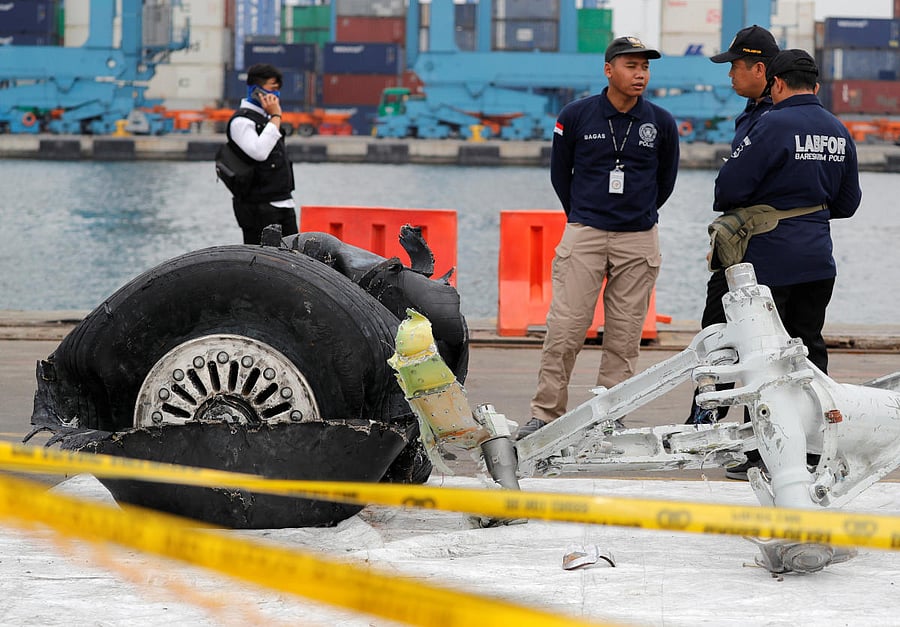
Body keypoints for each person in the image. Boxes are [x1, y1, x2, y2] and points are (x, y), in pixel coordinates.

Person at [707, 49, 862, 478]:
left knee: (763, 356)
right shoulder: (838, 129)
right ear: (815, 85)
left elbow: (727, 189)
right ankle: (814, 449)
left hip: (769, 259)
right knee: (808, 351)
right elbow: (848, 203)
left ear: (775, 83)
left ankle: (764, 452)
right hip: (818, 259)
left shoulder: (771, 124)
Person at [517, 36, 680, 439]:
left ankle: (610, 416)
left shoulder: (661, 122)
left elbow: (666, 180)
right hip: (586, 233)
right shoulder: (575, 116)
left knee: (624, 336)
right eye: (631, 66)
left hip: (638, 239)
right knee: (565, 329)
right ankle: (545, 414)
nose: (640, 74)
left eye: (645, 67)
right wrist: (581, 216)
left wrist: (639, 213)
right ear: (609, 70)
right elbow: (560, 174)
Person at [686, 25, 780, 426]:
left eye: (735, 66)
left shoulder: (776, 118)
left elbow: (734, 187)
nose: (729, 74)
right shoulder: (755, 112)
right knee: (717, 330)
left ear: (759, 69)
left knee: (739, 334)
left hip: (761, 241)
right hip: (743, 239)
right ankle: (709, 416)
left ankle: (748, 429)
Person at [226, 63, 298, 245]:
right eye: (272, 89)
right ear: (255, 90)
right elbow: (259, 152)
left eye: (278, 89)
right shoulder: (241, 121)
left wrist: (273, 118)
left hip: (284, 203)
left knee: (293, 257)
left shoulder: (268, 120)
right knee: (261, 258)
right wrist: (276, 116)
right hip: (258, 207)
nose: (276, 95)